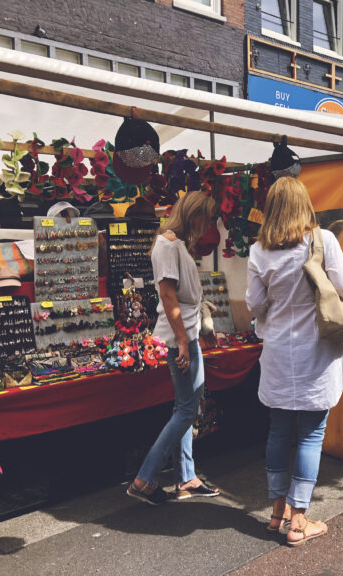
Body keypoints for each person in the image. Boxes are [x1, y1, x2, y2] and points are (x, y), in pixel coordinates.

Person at [246, 176, 343, 546]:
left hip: (277, 350)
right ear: (305, 204)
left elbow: (255, 305)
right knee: (311, 433)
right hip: (315, 349)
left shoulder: (258, 251)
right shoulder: (323, 240)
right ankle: (299, 521)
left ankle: (277, 512)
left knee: (278, 430)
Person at [126, 190, 220, 505]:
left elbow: (178, 296)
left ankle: (186, 477)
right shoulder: (168, 246)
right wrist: (182, 339)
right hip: (181, 337)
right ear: (193, 215)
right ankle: (145, 478)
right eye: (204, 218)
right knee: (186, 409)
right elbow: (167, 296)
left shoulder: (175, 245)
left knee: (185, 407)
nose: (206, 225)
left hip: (187, 334)